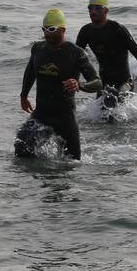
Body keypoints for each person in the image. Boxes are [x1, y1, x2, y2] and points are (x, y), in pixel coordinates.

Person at [16, 8, 103, 160]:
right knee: (21, 149)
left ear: (62, 29)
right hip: (41, 114)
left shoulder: (75, 52)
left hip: (64, 117)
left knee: (72, 162)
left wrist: (79, 85)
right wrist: (24, 95)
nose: (47, 33)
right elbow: (30, 72)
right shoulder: (38, 49)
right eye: (44, 29)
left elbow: (97, 82)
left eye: (51, 29)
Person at [75, 0, 137, 116]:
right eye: (90, 8)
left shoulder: (118, 29)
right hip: (103, 83)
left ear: (106, 11)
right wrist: (73, 79)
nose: (92, 11)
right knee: (101, 117)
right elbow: (76, 59)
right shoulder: (85, 32)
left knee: (113, 103)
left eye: (97, 8)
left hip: (125, 82)